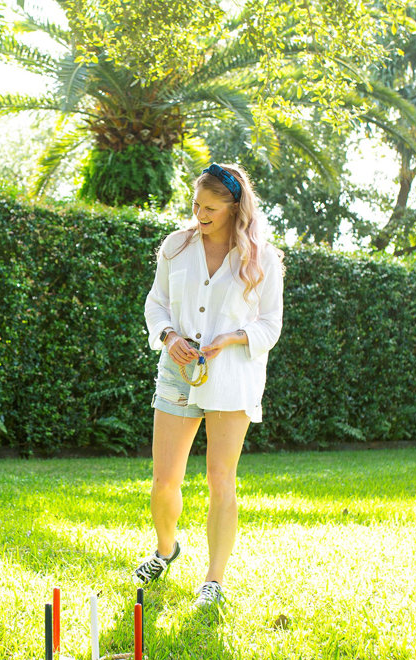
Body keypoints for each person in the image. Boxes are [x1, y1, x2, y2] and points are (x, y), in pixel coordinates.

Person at [133, 163, 284, 608]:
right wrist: (169, 336)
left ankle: (214, 580)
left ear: (235, 208)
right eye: (196, 204)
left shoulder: (263, 258)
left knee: (221, 479)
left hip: (232, 376)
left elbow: (270, 325)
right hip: (177, 371)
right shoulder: (175, 246)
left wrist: (234, 338)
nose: (199, 214)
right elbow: (155, 303)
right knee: (165, 480)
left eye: (211, 209)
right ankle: (166, 550)